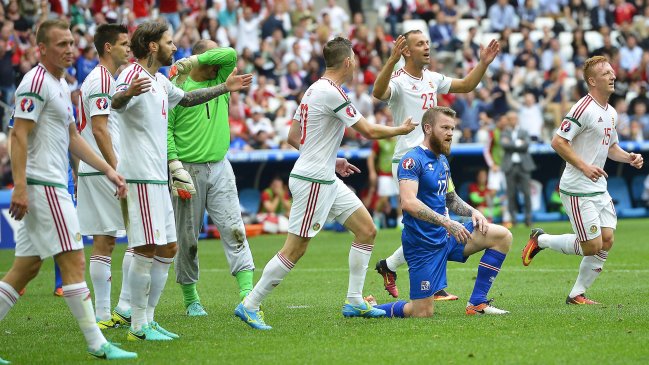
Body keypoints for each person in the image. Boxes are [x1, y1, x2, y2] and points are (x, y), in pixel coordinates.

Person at [234, 37, 418, 330]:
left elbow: (294, 137)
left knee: (366, 230)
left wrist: (331, 160)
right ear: (347, 62)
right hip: (313, 182)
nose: (356, 64)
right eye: (355, 59)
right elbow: (368, 131)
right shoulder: (332, 93)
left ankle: (355, 301)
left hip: (323, 176)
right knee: (295, 249)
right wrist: (402, 128)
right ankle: (250, 304)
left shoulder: (312, 91)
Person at [0, 19, 136, 361]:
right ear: (41, 49)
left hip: (52, 182)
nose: (69, 49)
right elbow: (18, 134)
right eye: (61, 44)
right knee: (74, 260)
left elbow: (74, 137)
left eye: (71, 43)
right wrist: (20, 186)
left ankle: (97, 340)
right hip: (44, 185)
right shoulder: (36, 81)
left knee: (25, 269)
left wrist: (108, 169)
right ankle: (97, 343)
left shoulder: (62, 84)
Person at [111, 21, 252, 341]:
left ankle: (146, 319)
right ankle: (137, 323)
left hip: (162, 176)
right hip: (142, 173)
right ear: (152, 46)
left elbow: (188, 100)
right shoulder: (132, 74)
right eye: (170, 42)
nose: (176, 49)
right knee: (148, 248)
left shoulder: (161, 80)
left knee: (166, 247)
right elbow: (115, 102)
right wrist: (175, 164)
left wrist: (224, 88)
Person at [371, 29, 500, 300]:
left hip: (435, 157)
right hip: (408, 157)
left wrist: (484, 64)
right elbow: (378, 92)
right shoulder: (399, 79)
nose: (427, 47)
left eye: (427, 42)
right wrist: (390, 61)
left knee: (442, 213)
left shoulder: (432, 78)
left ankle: (392, 267)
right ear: (406, 50)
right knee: (431, 219)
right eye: (420, 44)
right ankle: (431, 284)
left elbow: (465, 85)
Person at [522, 56, 644, 304]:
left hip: (599, 186)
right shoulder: (582, 108)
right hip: (577, 187)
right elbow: (557, 142)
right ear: (592, 81)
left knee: (606, 241)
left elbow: (611, 148)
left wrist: (629, 158)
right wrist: (585, 166)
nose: (613, 76)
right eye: (606, 73)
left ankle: (577, 294)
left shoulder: (610, 112)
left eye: (612, 71)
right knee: (591, 246)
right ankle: (541, 240)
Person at [371, 107, 512, 318]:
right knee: (422, 312)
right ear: (427, 128)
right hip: (423, 246)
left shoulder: (442, 161)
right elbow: (408, 202)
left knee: (502, 236)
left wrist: (473, 212)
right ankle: (369, 308)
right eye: (444, 127)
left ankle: (477, 303)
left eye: (452, 128)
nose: (450, 133)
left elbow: (450, 199)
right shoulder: (412, 160)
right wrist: (448, 223)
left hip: (446, 237)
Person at [167, 39, 255, 317]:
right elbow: (166, 130)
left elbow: (230, 52)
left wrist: (193, 60)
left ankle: (247, 295)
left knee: (235, 228)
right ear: (201, 60)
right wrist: (174, 166)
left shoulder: (222, 79)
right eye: (210, 58)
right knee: (187, 238)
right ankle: (191, 299)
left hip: (220, 166)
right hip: (187, 170)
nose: (221, 64)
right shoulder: (177, 89)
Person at [76, 23, 135, 330]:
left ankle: (103, 313)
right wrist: (115, 168)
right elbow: (98, 128)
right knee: (108, 241)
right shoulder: (100, 79)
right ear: (109, 47)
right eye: (124, 43)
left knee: (106, 240)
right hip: (101, 171)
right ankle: (103, 314)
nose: (129, 48)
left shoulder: (103, 79)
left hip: (95, 170)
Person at [501, 111, 536, 227]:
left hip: (523, 166)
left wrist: (512, 143)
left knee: (527, 193)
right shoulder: (505, 131)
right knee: (511, 194)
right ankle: (513, 220)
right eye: (510, 119)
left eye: (514, 118)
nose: (513, 121)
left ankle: (528, 219)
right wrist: (518, 143)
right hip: (510, 167)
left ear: (517, 119)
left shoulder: (524, 131)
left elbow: (526, 145)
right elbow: (504, 145)